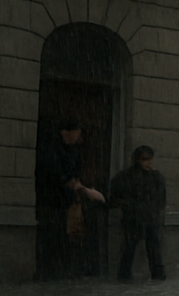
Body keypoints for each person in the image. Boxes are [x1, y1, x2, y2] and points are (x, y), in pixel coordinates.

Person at [34, 118, 106, 281]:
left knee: (68, 237)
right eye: (78, 133)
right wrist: (84, 190)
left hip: (66, 202)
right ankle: (51, 273)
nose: (79, 137)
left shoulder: (71, 150)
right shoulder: (53, 150)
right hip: (53, 202)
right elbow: (58, 176)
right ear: (67, 132)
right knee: (54, 237)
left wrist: (81, 188)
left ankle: (64, 272)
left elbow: (71, 176)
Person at [108, 145, 167, 281]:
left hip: (150, 219)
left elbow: (161, 199)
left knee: (154, 251)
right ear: (137, 160)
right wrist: (127, 205)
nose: (149, 163)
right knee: (129, 249)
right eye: (145, 159)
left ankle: (157, 277)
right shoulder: (125, 177)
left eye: (150, 159)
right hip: (133, 219)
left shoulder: (156, 178)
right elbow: (114, 198)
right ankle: (124, 277)